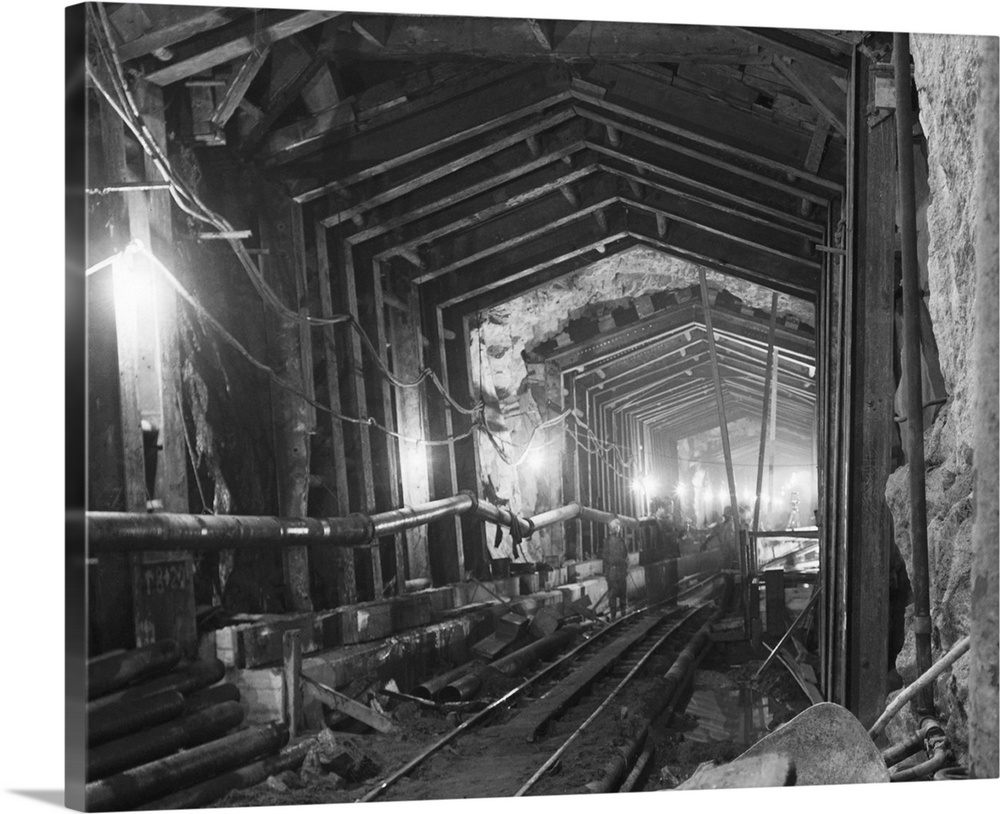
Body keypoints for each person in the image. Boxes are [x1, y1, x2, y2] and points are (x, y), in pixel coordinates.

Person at [601, 518, 629, 621]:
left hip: (616, 572)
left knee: (616, 594)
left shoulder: (613, 541)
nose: (618, 529)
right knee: (619, 594)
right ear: (615, 528)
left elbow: (625, 555)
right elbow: (606, 558)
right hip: (616, 572)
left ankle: (618, 615)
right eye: (617, 527)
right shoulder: (613, 541)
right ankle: (619, 615)